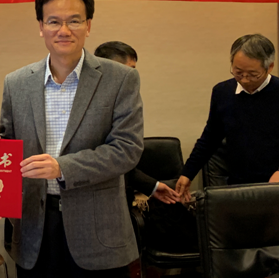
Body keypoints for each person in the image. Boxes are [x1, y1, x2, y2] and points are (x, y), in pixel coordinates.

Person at [0, 0, 144, 278]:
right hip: (36, 229)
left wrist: (62, 167)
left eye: (74, 20)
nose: (64, 30)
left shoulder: (120, 79)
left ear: (89, 25)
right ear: (41, 27)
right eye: (54, 21)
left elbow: (127, 149)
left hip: (99, 230)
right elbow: (9, 149)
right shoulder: (16, 83)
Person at [176, 34, 279, 201]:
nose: (244, 80)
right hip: (238, 185)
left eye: (253, 74)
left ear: (270, 67)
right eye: (238, 72)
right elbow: (210, 138)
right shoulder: (222, 92)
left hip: (275, 186)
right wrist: (188, 173)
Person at [93, 41, 181, 205]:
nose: (133, 76)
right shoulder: (91, 106)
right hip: (98, 200)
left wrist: (152, 186)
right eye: (129, 70)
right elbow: (110, 159)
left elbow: (123, 159)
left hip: (123, 198)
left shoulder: (125, 103)